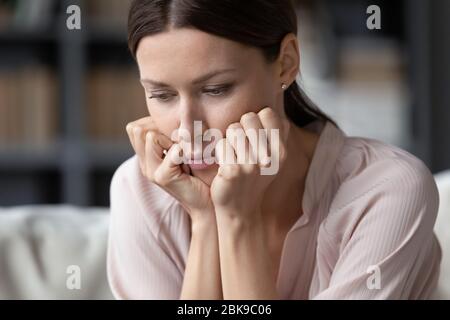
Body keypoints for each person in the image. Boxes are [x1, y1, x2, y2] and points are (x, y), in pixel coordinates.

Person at [107, 0, 441, 299]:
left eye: (215, 89)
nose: (187, 127)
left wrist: (238, 217)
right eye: (162, 95)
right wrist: (206, 220)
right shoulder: (139, 190)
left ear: (286, 62)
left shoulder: (386, 190)